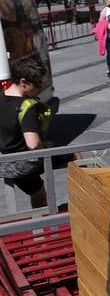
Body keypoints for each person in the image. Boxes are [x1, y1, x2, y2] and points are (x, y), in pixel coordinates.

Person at [0, 57, 51, 208]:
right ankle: (43, 222)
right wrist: (45, 147)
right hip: (22, 164)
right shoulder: (26, 106)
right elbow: (33, 145)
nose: (40, 88)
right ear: (23, 83)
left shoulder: (1, 97)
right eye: (38, 85)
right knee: (75, 156)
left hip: (4, 159)